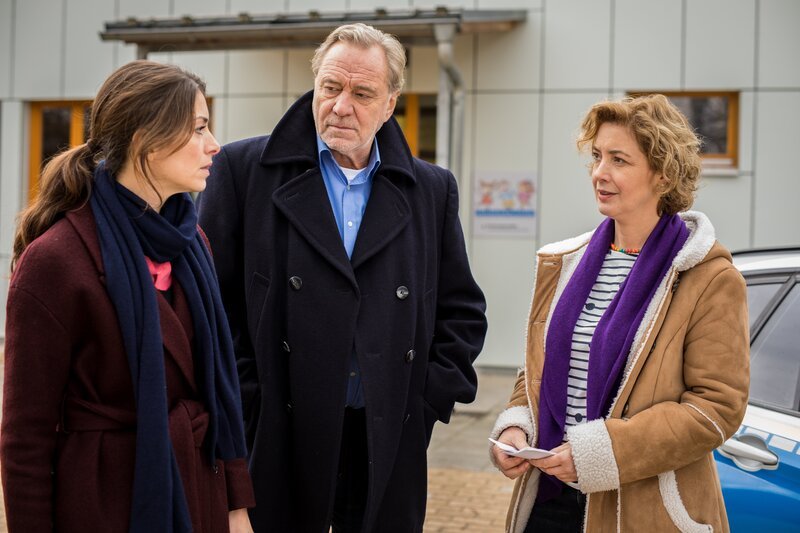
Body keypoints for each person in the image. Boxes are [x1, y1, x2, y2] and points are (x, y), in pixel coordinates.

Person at [197, 22, 488, 532]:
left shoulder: (430, 189)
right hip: (278, 431)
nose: (341, 105)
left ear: (391, 102)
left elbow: (461, 311)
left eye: (362, 93)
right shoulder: (244, 171)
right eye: (330, 88)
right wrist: (249, 402)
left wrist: (423, 404)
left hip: (382, 437)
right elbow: (207, 303)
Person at [1, 60, 255, 533]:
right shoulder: (55, 260)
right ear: (146, 140)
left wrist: (235, 506)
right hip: (103, 502)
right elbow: (25, 439)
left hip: (198, 492)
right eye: (199, 128)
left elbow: (221, 392)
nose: (214, 145)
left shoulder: (192, 241)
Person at [489, 94, 749, 532]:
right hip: (550, 497)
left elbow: (716, 408)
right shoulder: (566, 262)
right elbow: (542, 367)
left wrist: (599, 453)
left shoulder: (708, 278)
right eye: (596, 156)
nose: (599, 173)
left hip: (645, 510)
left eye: (619, 160)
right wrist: (517, 426)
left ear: (663, 174)